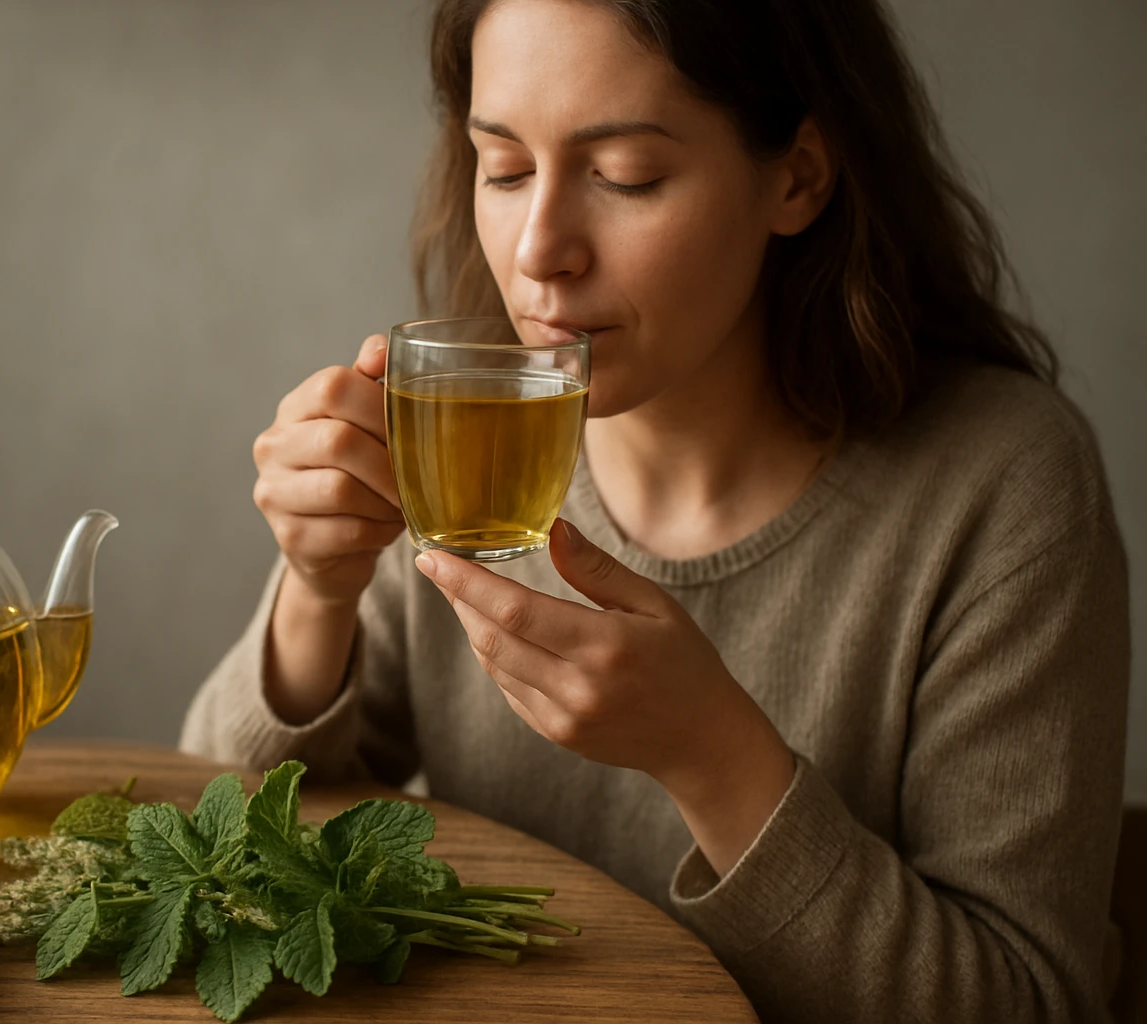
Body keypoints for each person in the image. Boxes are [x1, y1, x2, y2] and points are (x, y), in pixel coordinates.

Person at [181, 1, 1130, 1020]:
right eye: (502, 168)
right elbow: (204, 849)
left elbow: (1031, 1001)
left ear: (798, 175)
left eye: (624, 174)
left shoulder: (1002, 489)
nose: (540, 250)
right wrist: (316, 593)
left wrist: (713, 757)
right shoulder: (462, 437)